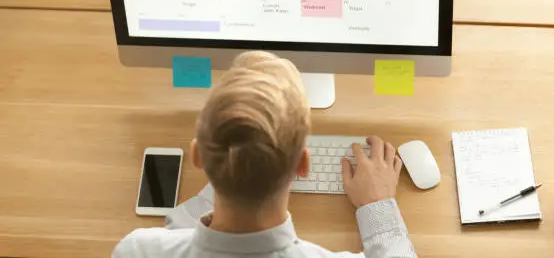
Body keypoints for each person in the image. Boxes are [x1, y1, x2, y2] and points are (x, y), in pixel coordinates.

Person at [112, 51, 417, 258]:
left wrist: (237, 158)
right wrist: (378, 206)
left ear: (197, 155)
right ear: (303, 163)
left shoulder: (136, 251)